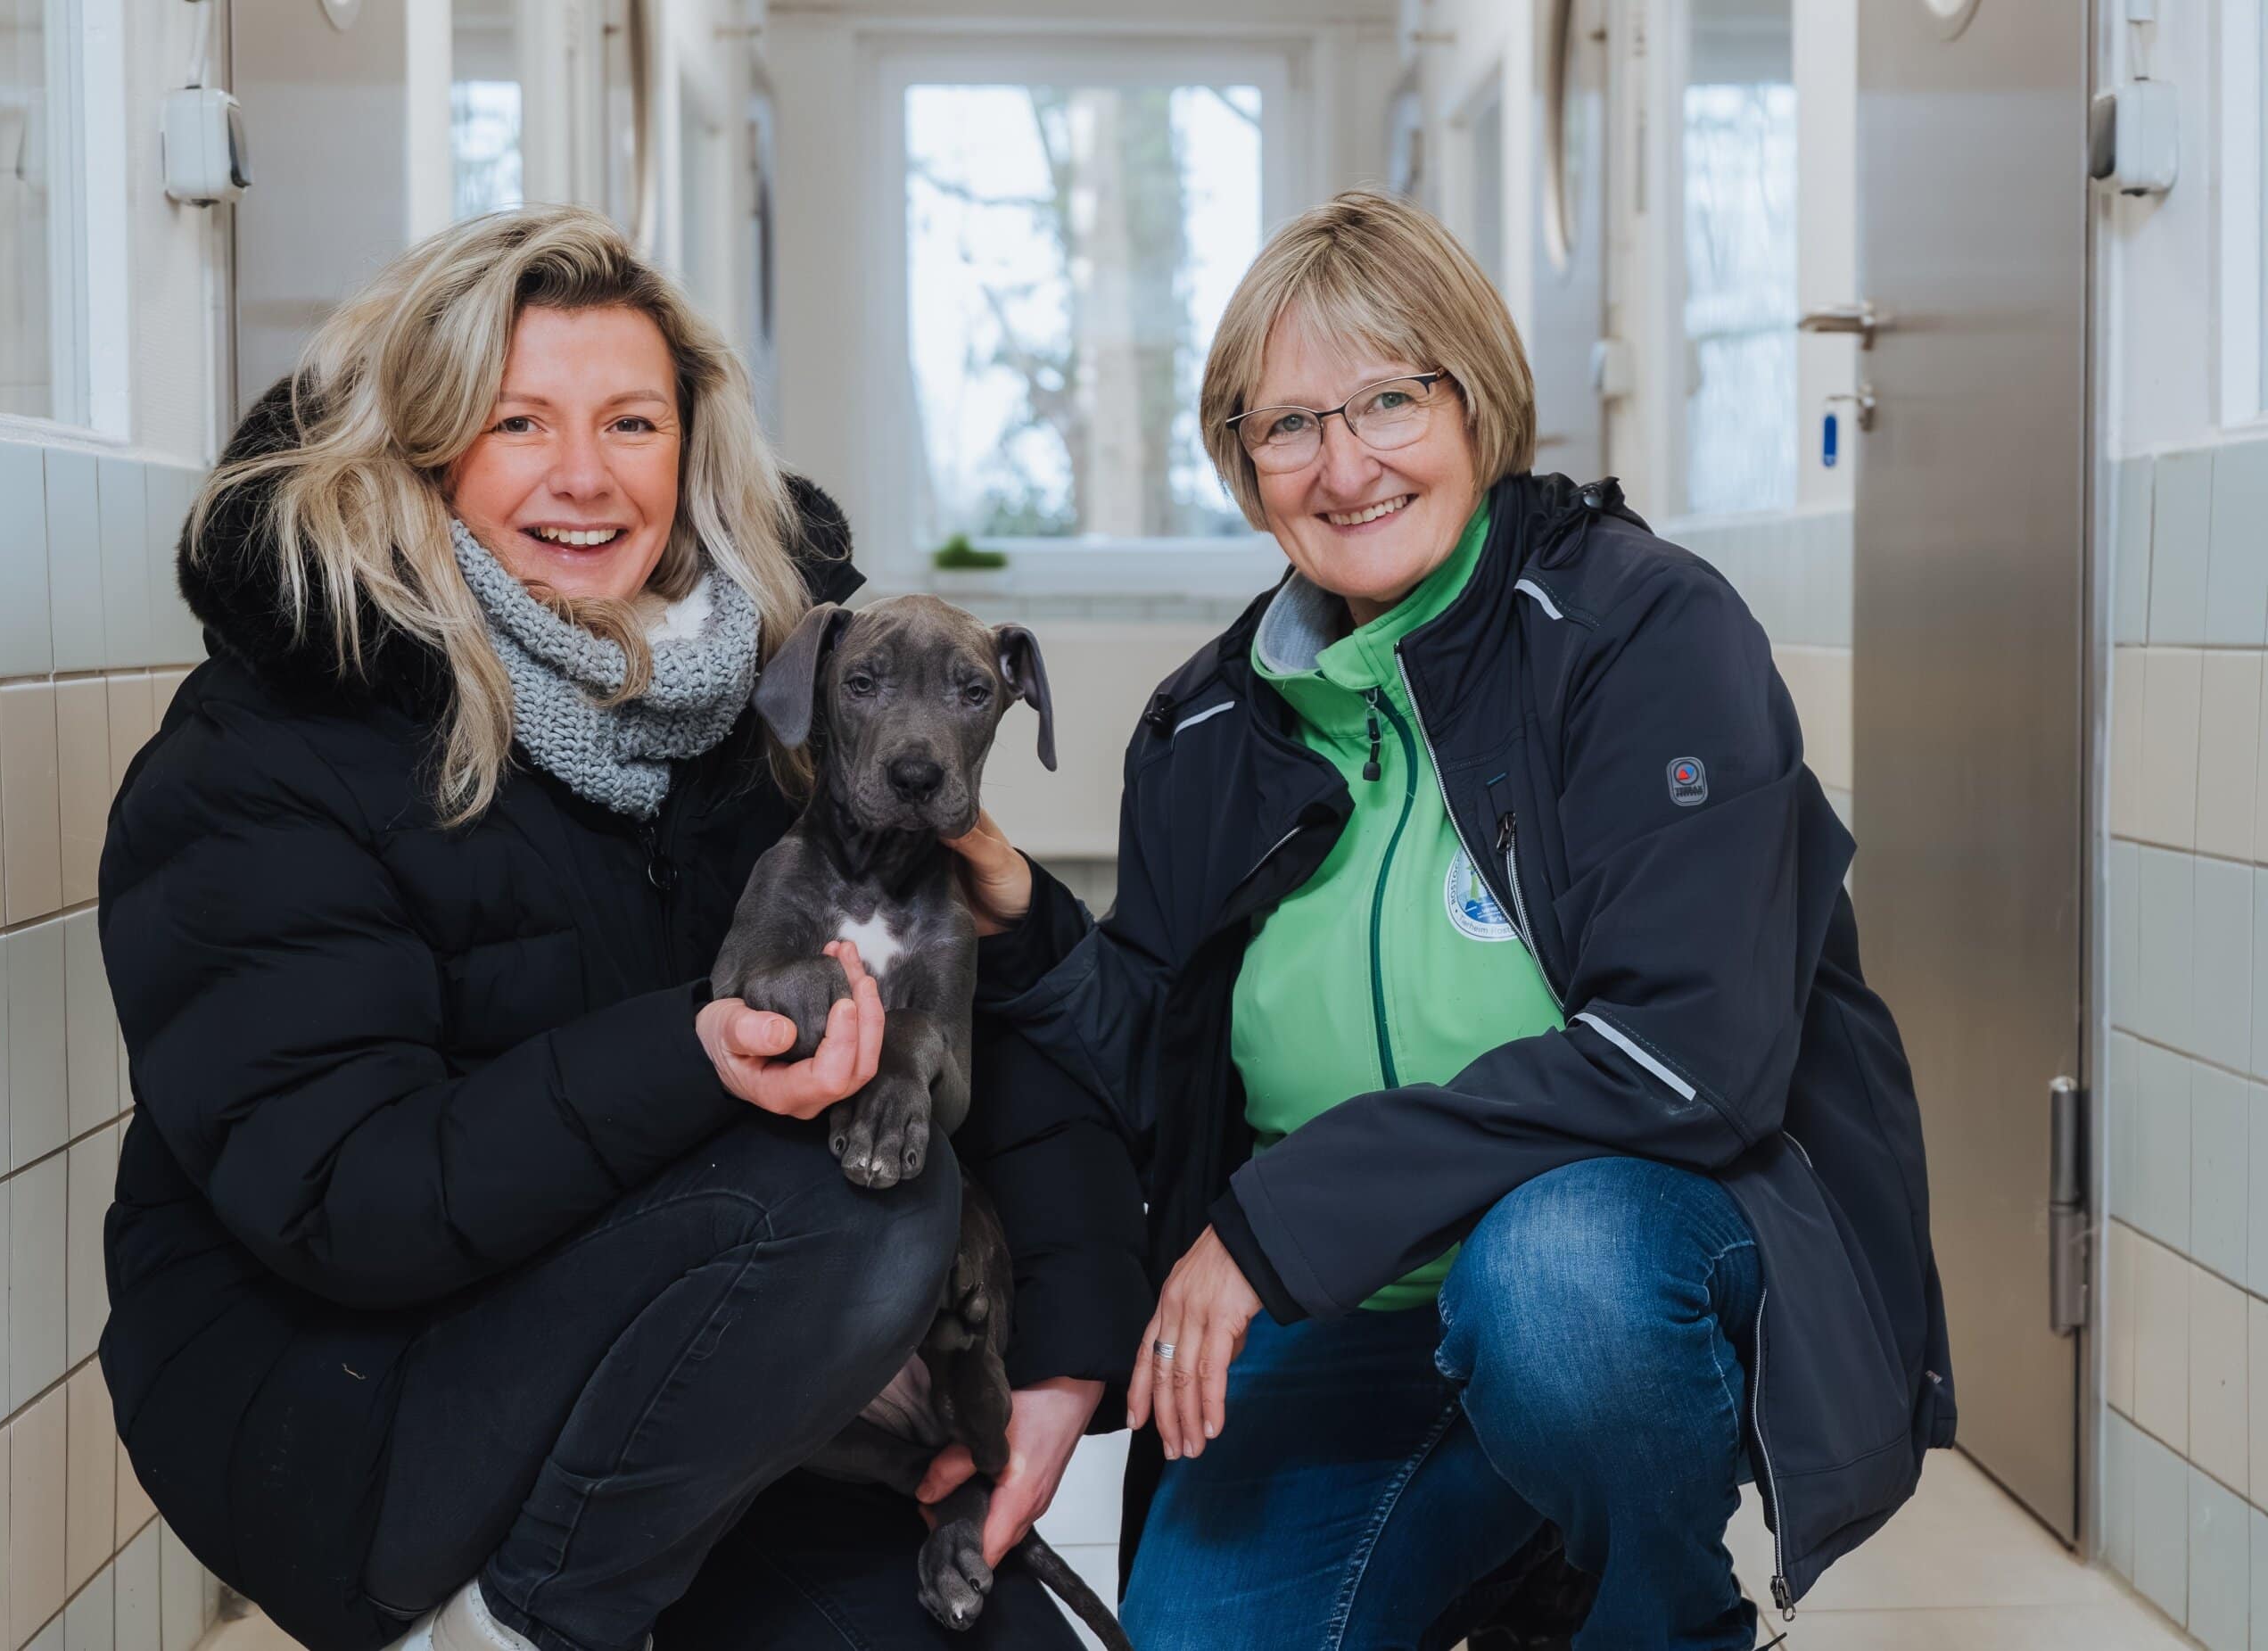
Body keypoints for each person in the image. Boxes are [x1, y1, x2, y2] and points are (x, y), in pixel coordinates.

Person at [95, 205, 1148, 1651]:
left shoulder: (790, 700)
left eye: (632, 424)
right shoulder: (269, 747)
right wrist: (692, 1056)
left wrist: (1064, 1359)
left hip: (729, 1373)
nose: (585, 478)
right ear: (421, 443)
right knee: (862, 1197)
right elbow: (344, 1195)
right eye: (517, 422)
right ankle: (518, 1624)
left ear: (691, 448)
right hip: (351, 1404)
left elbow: (990, 1034)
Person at [943, 189, 1956, 1650]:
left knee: (1553, 1285)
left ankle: (1652, 1616)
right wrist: (1028, 925)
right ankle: (1499, 1553)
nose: (1344, 465)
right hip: (1345, 1314)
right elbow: (1158, 1066)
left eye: (1389, 401)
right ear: (1242, 462)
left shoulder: (1643, 633)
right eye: (1289, 426)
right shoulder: (1205, 727)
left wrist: (1285, 1216)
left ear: (1474, 401)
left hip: (1623, 1276)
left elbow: (1691, 1058)